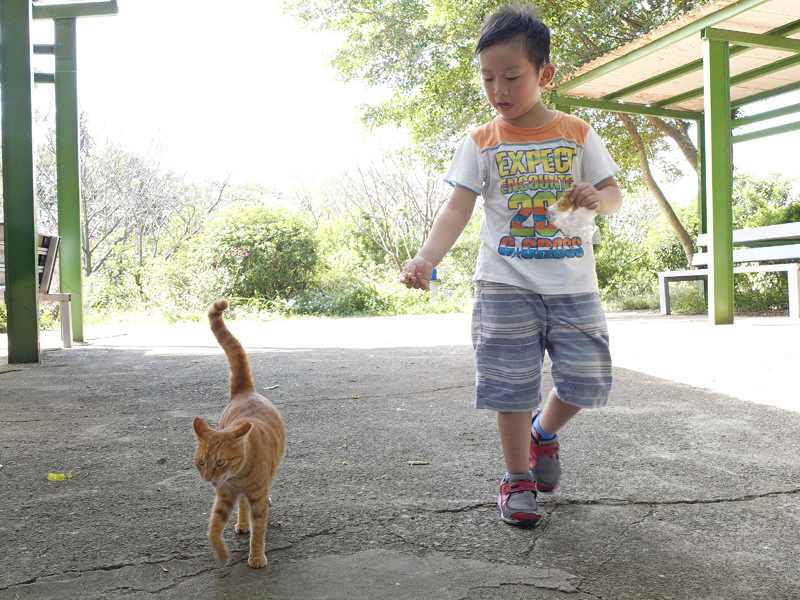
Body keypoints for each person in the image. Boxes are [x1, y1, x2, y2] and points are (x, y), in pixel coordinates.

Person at [400, 4, 623, 526]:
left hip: (573, 284)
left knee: (587, 380)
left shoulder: (578, 133)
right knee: (510, 383)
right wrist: (427, 258)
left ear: (544, 74)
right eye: (487, 78)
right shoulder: (481, 142)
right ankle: (517, 477)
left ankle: (542, 434)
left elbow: (614, 194)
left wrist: (597, 197)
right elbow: (457, 207)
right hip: (504, 281)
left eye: (511, 76)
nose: (498, 88)